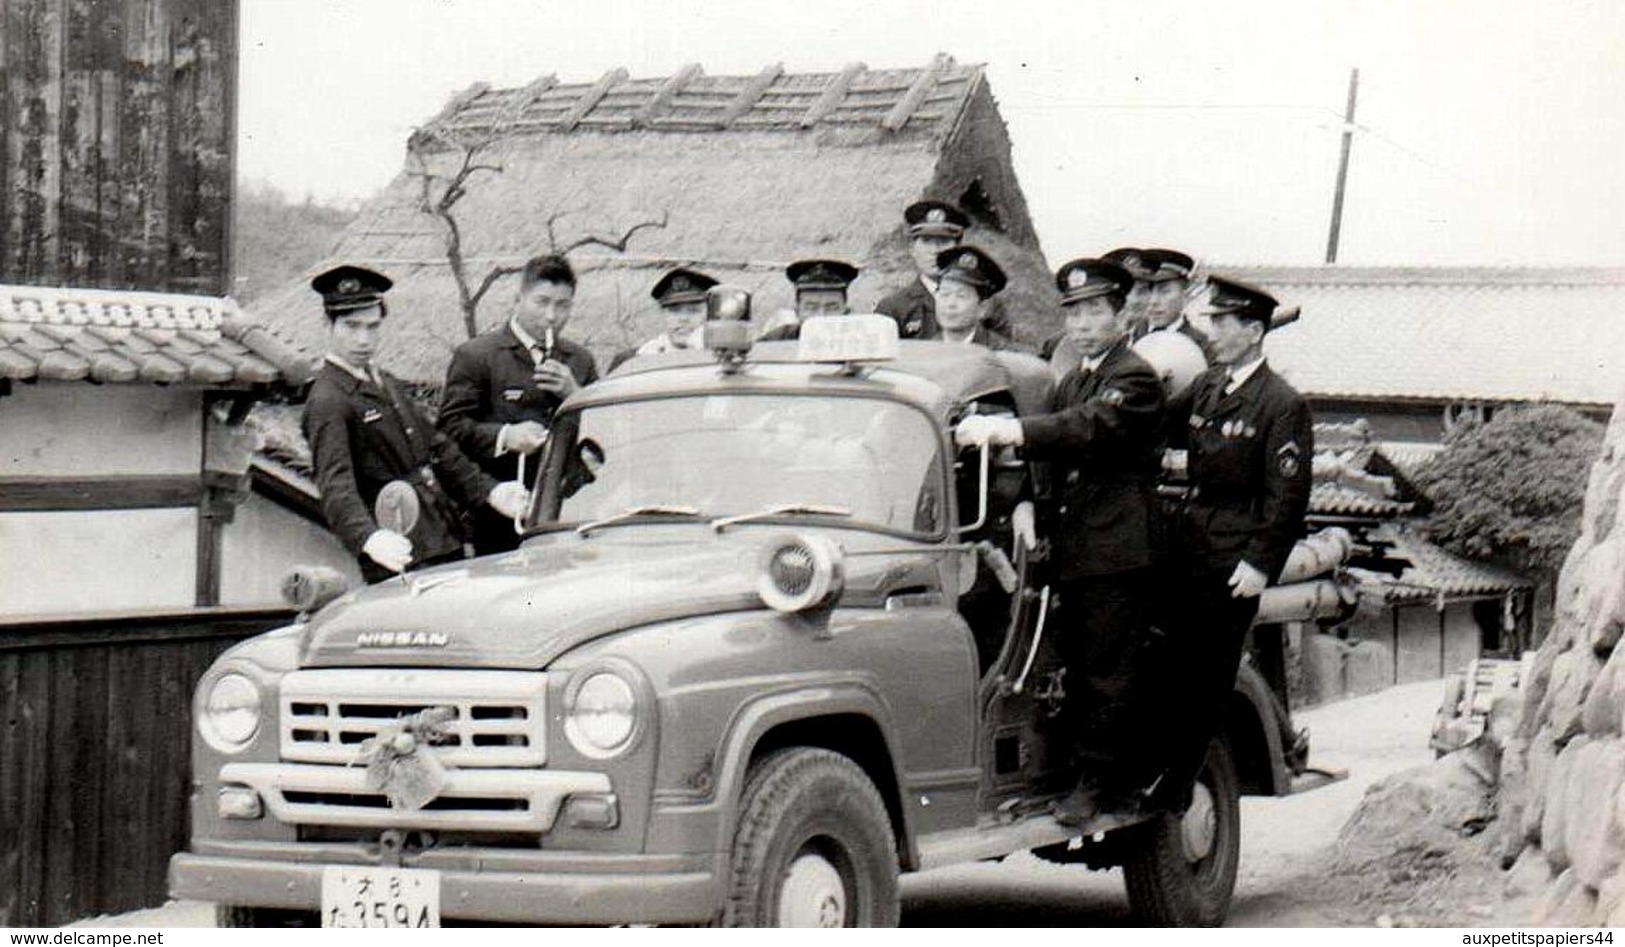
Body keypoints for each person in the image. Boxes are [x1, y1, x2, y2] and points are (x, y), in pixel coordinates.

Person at [955, 257, 1167, 824]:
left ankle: (1100, 782)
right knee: (1072, 662)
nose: (1081, 323)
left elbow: (1087, 427)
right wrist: (1024, 497)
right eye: (1073, 311)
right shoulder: (1074, 376)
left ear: (1119, 315)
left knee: (1107, 669)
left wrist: (1010, 430)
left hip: (1118, 547)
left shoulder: (1133, 377)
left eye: (1094, 310)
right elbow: (1048, 448)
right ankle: (1077, 775)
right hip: (1077, 543)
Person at [1153, 273, 1314, 811]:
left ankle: (1176, 786)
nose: (1213, 332)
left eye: (1222, 322)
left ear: (1253, 330)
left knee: (1206, 674)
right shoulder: (1207, 387)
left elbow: (1287, 496)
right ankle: (1154, 765)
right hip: (1189, 544)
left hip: (1234, 558)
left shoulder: (1280, 402)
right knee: (1167, 659)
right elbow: (1155, 427)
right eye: (1212, 321)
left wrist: (1260, 564)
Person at [302, 264, 528, 581]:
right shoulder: (329, 398)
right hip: (396, 551)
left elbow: (437, 448)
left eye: (372, 326)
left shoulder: (387, 384)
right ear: (327, 324)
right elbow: (335, 484)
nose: (363, 339)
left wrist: (490, 492)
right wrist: (367, 537)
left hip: (442, 536)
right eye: (352, 326)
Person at [439, 253, 599, 555]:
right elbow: (449, 432)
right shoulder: (477, 356)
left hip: (568, 516)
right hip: (496, 520)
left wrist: (574, 394)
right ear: (518, 299)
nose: (552, 316)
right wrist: (505, 436)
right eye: (542, 302)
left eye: (562, 305)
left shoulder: (580, 360)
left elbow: (603, 436)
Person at [876, 199, 1012, 339]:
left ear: (958, 249)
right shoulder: (893, 308)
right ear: (912, 249)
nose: (935, 251)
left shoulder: (985, 304)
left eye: (944, 242)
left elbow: (1001, 353)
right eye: (926, 241)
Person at [609, 267, 718, 369]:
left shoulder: (725, 361)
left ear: (711, 314)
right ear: (662, 314)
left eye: (694, 311)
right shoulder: (631, 361)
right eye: (674, 311)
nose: (683, 318)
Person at [930, 246, 1027, 352]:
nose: (951, 304)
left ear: (982, 308)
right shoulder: (926, 351)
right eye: (945, 294)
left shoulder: (1001, 355)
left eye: (961, 296)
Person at [1137, 248, 1216, 362]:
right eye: (1148, 290)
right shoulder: (1129, 338)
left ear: (1185, 294)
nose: (1153, 301)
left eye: (1165, 291)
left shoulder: (1202, 347)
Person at [757, 258, 859, 340]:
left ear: (846, 312)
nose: (821, 316)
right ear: (797, 311)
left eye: (831, 308)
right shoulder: (779, 339)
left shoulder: (859, 340)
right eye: (812, 308)